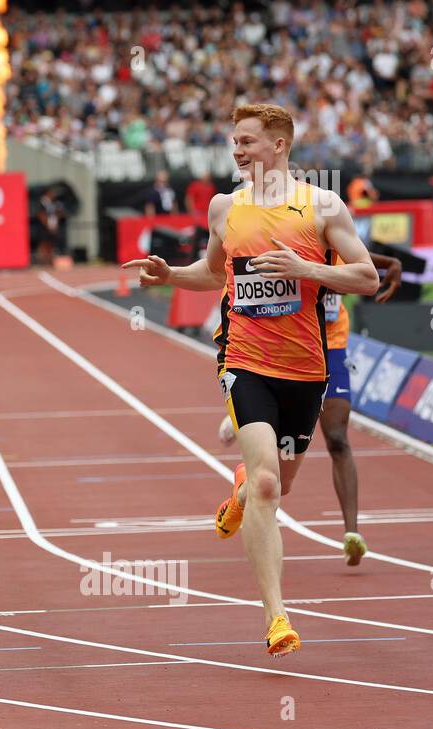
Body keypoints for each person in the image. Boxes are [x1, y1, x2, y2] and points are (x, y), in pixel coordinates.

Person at [124, 103, 378, 657]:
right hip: (245, 361)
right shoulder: (224, 208)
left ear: (280, 145)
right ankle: (277, 617)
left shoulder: (321, 206)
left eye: (248, 142)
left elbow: (367, 275)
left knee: (277, 485)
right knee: (269, 486)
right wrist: (171, 274)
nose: (237, 151)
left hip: (307, 369)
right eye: (234, 141)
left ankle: (241, 488)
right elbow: (213, 273)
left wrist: (307, 269)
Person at [220, 248, 402, 565]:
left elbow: (360, 262)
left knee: (337, 437)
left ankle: (351, 534)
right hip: (290, 348)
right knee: (275, 471)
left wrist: (391, 264)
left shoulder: (330, 232)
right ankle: (246, 414)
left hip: (332, 346)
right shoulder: (281, 243)